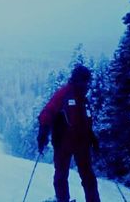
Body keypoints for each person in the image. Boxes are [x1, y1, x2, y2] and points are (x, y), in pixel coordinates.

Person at [37, 64, 101, 202]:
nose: (86, 84)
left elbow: (85, 121)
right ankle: (62, 199)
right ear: (76, 79)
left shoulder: (83, 97)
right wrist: (43, 133)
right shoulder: (64, 93)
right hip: (62, 143)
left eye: (87, 81)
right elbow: (47, 112)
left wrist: (92, 137)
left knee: (88, 175)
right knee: (61, 174)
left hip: (82, 143)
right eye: (84, 80)